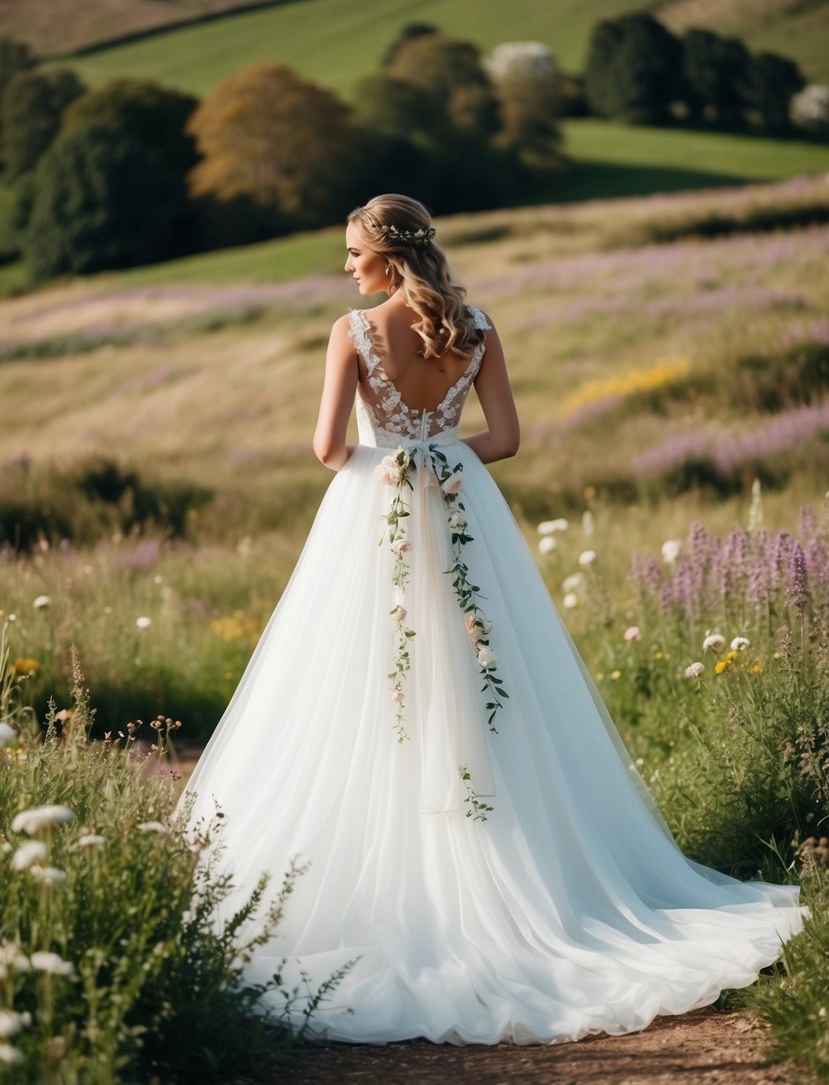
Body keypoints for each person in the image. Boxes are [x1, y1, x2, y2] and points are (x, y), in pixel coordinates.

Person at [177, 192, 806, 1045]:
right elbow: (505, 436)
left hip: (376, 516)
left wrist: (397, 460)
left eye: (353, 252)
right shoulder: (474, 325)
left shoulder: (351, 332)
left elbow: (329, 452)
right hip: (462, 506)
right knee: (480, 669)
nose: (346, 266)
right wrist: (439, 455)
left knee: (362, 677)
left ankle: (402, 869)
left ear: (386, 257)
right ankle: (509, 857)